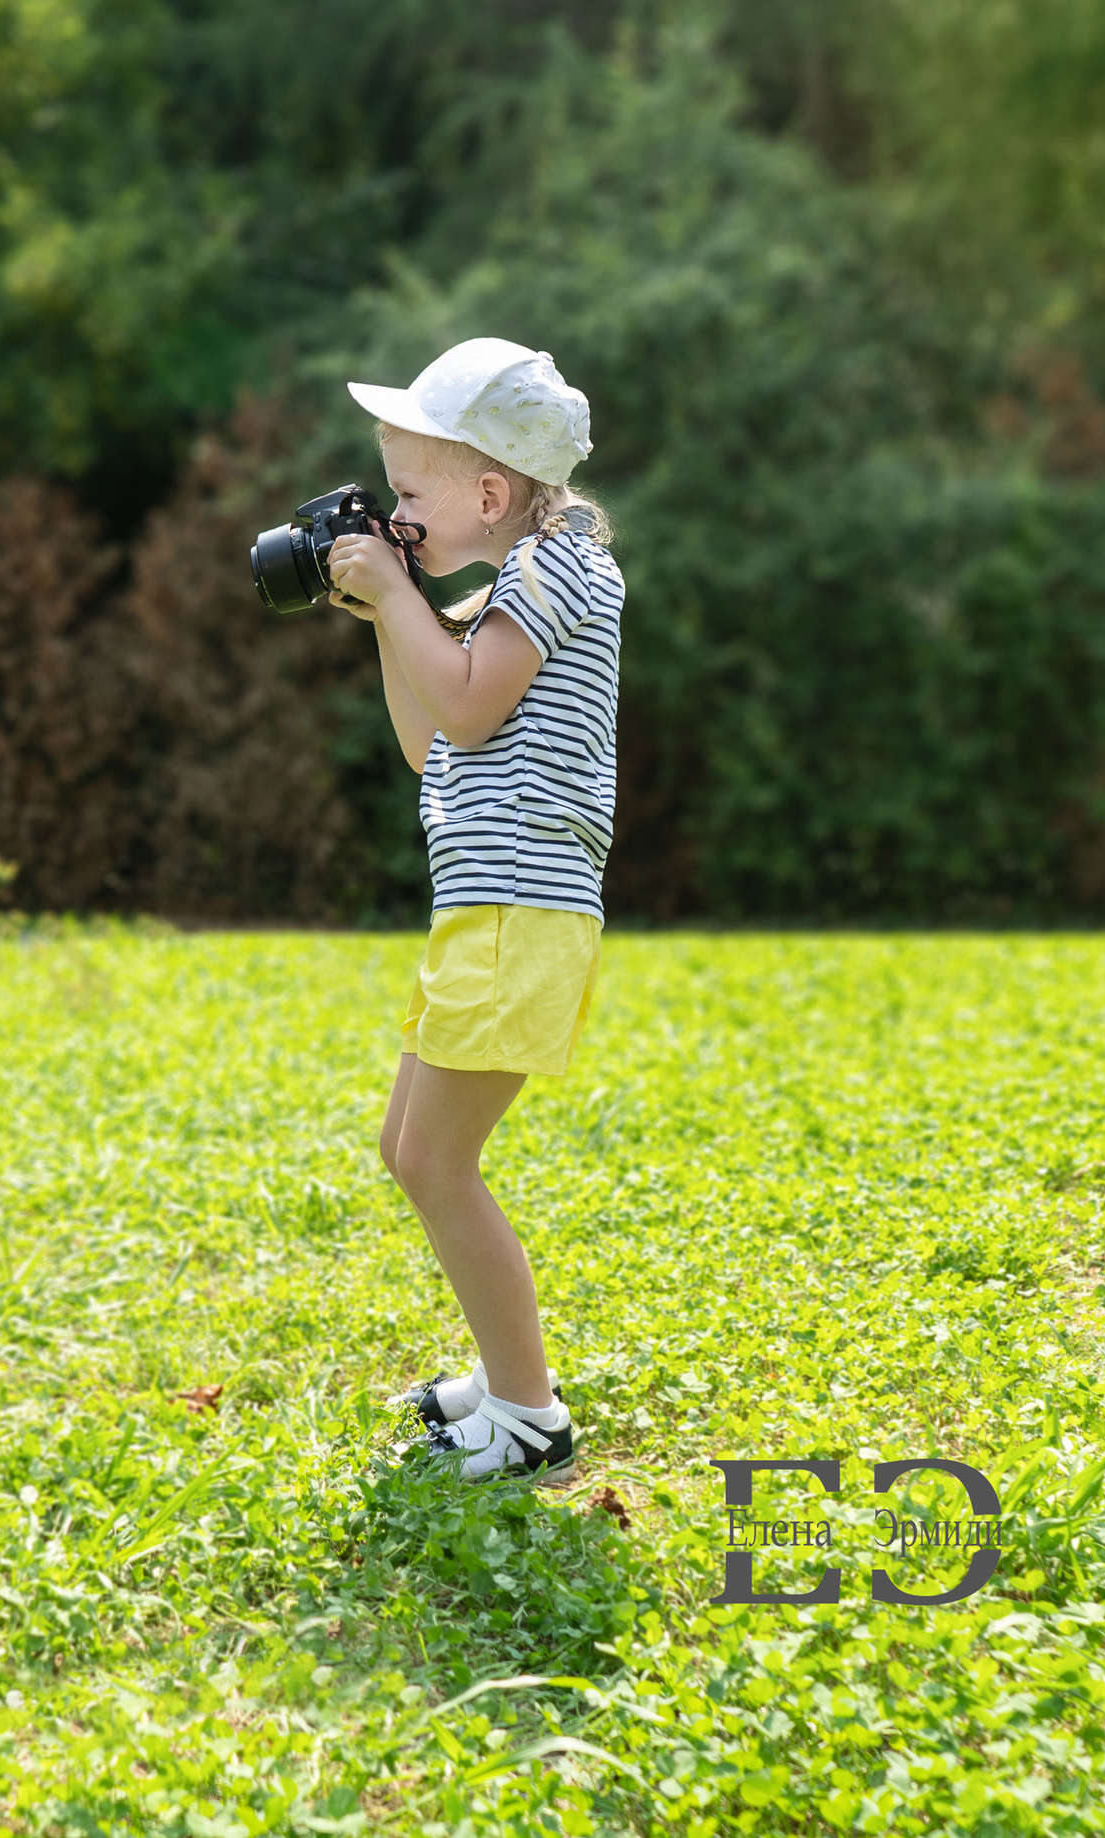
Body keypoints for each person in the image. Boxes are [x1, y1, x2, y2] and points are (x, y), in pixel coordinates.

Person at [321, 337, 619, 1485]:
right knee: (411, 1150)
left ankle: (528, 1413)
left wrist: (402, 600)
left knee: (439, 1165)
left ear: (487, 494)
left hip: (517, 914)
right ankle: (504, 1376)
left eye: (409, 492)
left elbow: (471, 710)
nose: (394, 515)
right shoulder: (519, 583)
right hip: (484, 914)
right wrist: (389, 616)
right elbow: (429, 737)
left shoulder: (557, 574)